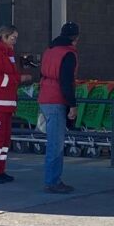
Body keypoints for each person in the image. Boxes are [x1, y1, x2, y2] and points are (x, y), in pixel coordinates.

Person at [0, 25, 31, 184]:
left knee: (3, 140)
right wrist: (19, 79)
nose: (15, 41)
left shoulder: (6, 53)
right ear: (4, 37)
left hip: (6, 103)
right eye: (12, 38)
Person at [38, 21, 80, 194]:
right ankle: (52, 181)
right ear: (76, 38)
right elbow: (66, 82)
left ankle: (52, 179)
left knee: (53, 141)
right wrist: (72, 105)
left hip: (45, 96)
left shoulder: (49, 50)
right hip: (56, 99)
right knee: (56, 143)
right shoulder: (68, 54)